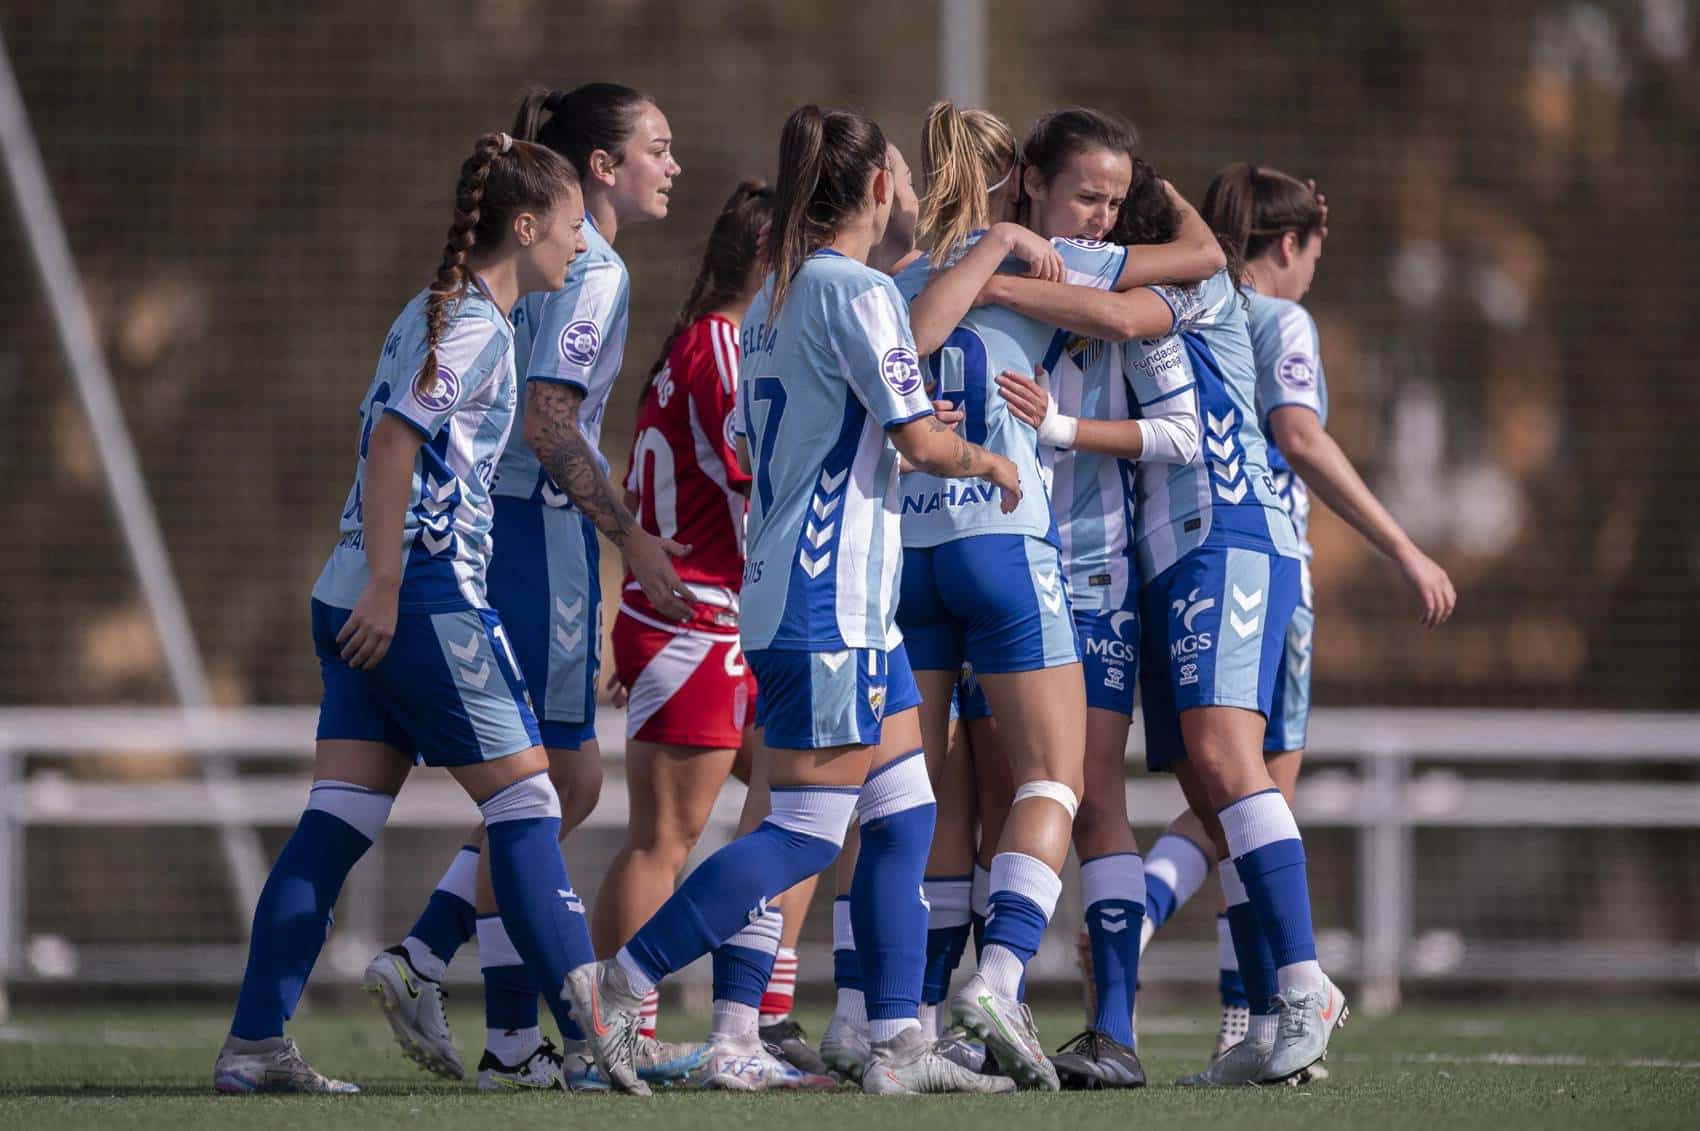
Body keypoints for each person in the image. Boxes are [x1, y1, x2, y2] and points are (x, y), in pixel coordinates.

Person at [566, 104, 1021, 1097]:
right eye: (893, 175)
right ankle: (619, 989)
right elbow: (915, 440)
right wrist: (982, 457)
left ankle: (897, 1047)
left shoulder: (774, 301)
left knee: (901, 814)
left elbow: (851, 429)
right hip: (828, 607)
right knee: (805, 835)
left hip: (813, 603)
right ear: (871, 190)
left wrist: (909, 427)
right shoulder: (850, 289)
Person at [214, 133, 593, 1095]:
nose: (582, 246)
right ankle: (594, 1042)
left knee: (334, 825)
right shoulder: (472, 324)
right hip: (414, 593)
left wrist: (370, 579)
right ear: (525, 225)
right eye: (574, 226)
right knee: (529, 800)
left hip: (350, 588)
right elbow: (394, 442)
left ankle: (255, 1046)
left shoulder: (436, 313)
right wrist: (390, 582)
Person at [364, 82, 704, 1093]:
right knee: (559, 786)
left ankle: (510, 1040)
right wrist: (631, 542)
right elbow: (550, 423)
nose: (672, 165)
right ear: (602, 167)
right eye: (657, 146)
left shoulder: (561, 258)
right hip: (531, 531)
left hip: (507, 531)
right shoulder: (591, 269)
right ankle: (435, 961)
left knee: (544, 788)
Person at [895, 101, 1223, 1090]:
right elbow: (1193, 264)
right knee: (1032, 789)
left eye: (1119, 202)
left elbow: (1172, 415)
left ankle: (915, 1021)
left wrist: (1064, 427)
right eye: (1087, 194)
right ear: (1024, 181)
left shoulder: (906, 272)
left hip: (960, 551)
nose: (1100, 217)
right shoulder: (1055, 261)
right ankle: (983, 993)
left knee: (947, 796)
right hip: (1012, 547)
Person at [1136, 162, 1454, 1074]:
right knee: (1252, 789)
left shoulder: (1186, 306)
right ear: (1289, 245)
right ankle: (1274, 1007)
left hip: (1183, 562)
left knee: (1225, 795)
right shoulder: (1281, 319)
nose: (1315, 268)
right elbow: (1300, 437)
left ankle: (1251, 1019)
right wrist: (1403, 545)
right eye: (1316, 249)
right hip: (1266, 574)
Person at [593, 179, 830, 1090]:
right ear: (770, 261)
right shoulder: (724, 347)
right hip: (697, 622)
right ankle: (624, 1027)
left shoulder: (700, 340)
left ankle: (762, 1013)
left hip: (711, 623)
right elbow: (755, 484)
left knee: (804, 808)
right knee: (666, 838)